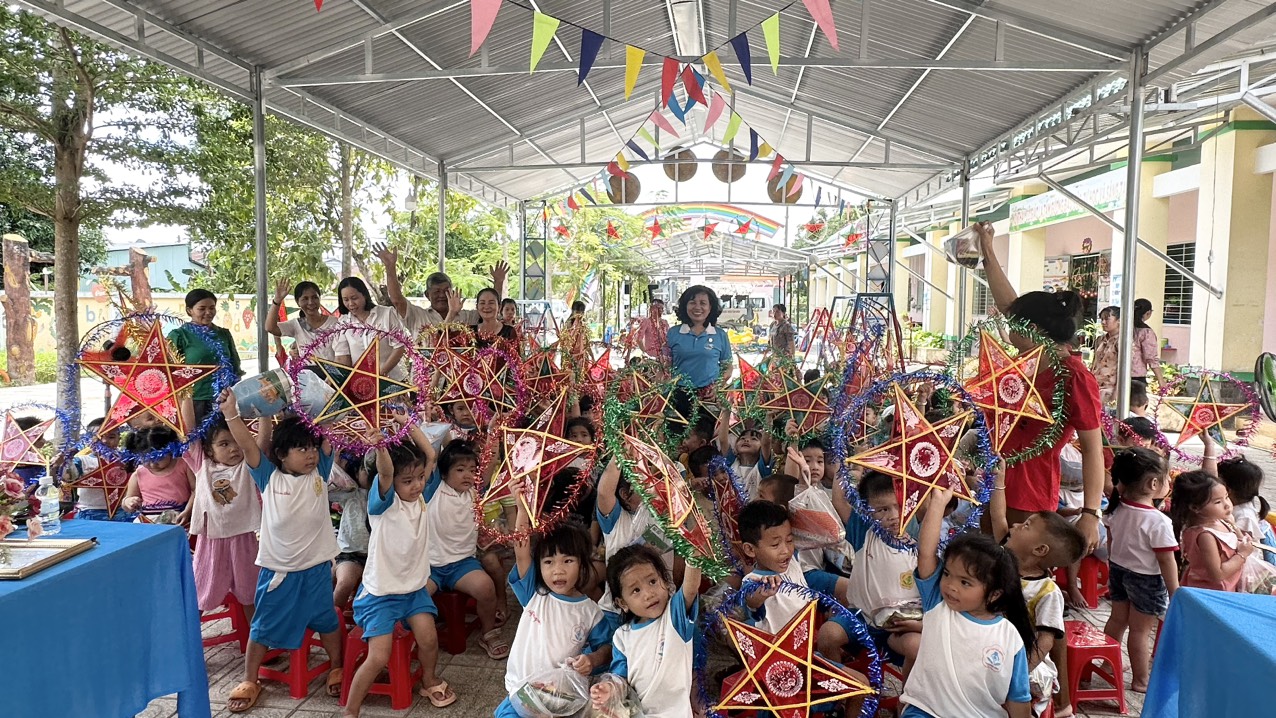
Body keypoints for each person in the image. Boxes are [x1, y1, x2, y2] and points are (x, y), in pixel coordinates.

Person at [976, 222, 1104, 555]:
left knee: (1016, 574)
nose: (1007, 324)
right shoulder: (1027, 359)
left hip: (1028, 499)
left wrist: (1091, 513)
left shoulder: (1074, 377)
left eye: (1014, 323)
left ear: (1031, 329)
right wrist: (987, 249)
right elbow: (1010, 304)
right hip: (992, 485)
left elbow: (1092, 447)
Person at [222, 414, 343, 713]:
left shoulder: (321, 472)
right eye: (301, 449)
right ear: (280, 455)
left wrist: (329, 403)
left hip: (316, 570)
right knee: (261, 627)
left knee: (327, 621)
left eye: (312, 447)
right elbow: (247, 444)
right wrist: (230, 413)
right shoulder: (268, 477)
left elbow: (332, 425)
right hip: (278, 572)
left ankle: (337, 666)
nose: (311, 454)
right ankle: (250, 679)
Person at [346, 414, 455, 716]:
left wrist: (409, 423)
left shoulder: (421, 497)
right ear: (393, 482)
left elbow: (431, 455)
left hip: (413, 591)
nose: (418, 484)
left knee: (429, 639)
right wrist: (381, 446)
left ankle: (429, 679)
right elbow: (385, 472)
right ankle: (351, 710)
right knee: (378, 658)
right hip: (380, 596)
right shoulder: (384, 503)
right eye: (407, 481)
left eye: (420, 477)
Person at [899, 488, 1035, 718]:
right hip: (925, 711)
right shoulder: (938, 604)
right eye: (947, 574)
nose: (951, 585)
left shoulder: (1009, 637)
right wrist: (937, 504)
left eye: (965, 582)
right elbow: (926, 554)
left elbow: (1018, 699)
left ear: (994, 594)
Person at [496, 502, 611, 718]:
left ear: (582, 564)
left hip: (559, 699)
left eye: (568, 560)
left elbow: (607, 649)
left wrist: (592, 660)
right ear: (539, 566)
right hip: (521, 693)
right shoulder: (534, 594)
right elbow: (521, 551)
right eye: (548, 562)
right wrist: (521, 509)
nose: (558, 570)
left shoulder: (591, 612)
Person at [990, 464, 1087, 717]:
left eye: (1027, 526)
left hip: (1025, 663)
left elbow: (1046, 640)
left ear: (1040, 550)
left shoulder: (1047, 592)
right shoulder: (1004, 558)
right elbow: (998, 516)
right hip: (992, 651)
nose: (1018, 524)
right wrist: (999, 480)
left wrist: (1020, 671)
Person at [820, 470, 922, 679]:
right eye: (882, 509)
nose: (893, 516)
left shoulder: (920, 546)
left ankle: (906, 699)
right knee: (828, 635)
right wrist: (843, 463)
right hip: (860, 617)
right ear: (868, 511)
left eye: (899, 506)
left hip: (898, 626)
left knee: (916, 646)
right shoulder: (864, 534)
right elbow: (839, 500)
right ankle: (843, 690)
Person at [1101, 447, 1177, 693]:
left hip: (1118, 571)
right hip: (1147, 580)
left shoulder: (1116, 509)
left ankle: (1108, 663)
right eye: (1167, 479)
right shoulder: (1158, 521)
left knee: (1117, 620)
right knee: (1140, 631)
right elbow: (1166, 561)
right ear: (1154, 483)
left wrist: (1113, 563)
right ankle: (1141, 680)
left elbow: (1112, 543)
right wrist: (1174, 590)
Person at [425, 440, 509, 659]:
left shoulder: (474, 492)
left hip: (462, 564)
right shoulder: (434, 489)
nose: (468, 475)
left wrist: (494, 433)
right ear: (443, 474)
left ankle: (488, 633)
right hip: (429, 566)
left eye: (472, 470)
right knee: (417, 596)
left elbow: (489, 463)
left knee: (486, 588)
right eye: (460, 470)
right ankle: (417, 635)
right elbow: (430, 453)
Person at [595, 544, 701, 718]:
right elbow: (620, 678)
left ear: (666, 583)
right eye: (636, 590)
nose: (648, 593)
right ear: (622, 603)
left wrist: (694, 552)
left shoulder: (674, 617)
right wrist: (610, 688)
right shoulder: (622, 636)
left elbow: (690, 587)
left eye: (652, 581)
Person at [190, 402, 264, 620]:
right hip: (211, 540)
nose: (234, 448)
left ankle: (257, 642)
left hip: (245, 538)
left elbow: (261, 441)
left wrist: (265, 412)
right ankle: (188, 640)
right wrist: (185, 391)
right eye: (224, 443)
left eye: (237, 442)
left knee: (250, 594)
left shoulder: (248, 465)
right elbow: (189, 430)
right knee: (200, 593)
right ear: (208, 450)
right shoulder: (201, 464)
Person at [595, 458, 677, 634]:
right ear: (626, 494)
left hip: (661, 606)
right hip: (619, 613)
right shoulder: (617, 520)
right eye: (646, 483)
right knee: (623, 656)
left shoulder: (666, 516)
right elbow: (603, 493)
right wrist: (620, 454)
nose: (654, 487)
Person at [374, 245, 508, 334]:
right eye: (436, 291)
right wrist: (390, 267)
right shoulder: (417, 315)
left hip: (458, 376)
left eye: (446, 290)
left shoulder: (467, 317)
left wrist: (498, 282)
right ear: (427, 295)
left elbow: (489, 311)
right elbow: (397, 300)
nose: (442, 295)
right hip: (425, 376)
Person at [1170, 470, 1255, 593]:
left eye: (1226, 497)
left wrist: (1238, 533)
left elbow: (1238, 541)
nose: (1227, 505)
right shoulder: (1205, 536)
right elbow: (1218, 574)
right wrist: (1243, 555)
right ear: (1195, 507)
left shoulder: (1221, 520)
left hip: (1230, 588)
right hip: (1212, 594)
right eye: (1218, 502)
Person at [168, 288, 244, 424]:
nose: (208, 313)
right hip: (194, 401)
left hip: (225, 399)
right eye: (202, 309)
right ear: (189, 310)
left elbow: (235, 365)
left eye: (212, 308)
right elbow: (169, 371)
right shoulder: (179, 336)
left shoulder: (224, 334)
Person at [740, 500, 808, 633]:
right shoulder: (754, 581)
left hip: (806, 636)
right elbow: (751, 600)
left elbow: (826, 536)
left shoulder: (792, 560)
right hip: (776, 648)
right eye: (775, 545)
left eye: (789, 540)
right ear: (750, 549)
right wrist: (761, 594)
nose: (786, 550)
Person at [666, 285, 733, 421]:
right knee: (679, 438)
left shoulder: (720, 335)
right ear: (685, 306)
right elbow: (664, 366)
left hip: (709, 398)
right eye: (692, 302)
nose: (697, 307)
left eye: (703, 303)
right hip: (678, 397)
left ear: (710, 307)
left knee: (705, 438)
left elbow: (728, 366)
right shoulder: (673, 333)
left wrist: (717, 387)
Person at [333, 276, 407, 379]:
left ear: (364, 295)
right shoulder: (343, 323)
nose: (351, 304)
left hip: (392, 380)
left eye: (354, 298)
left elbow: (400, 347)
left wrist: (381, 373)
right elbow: (342, 358)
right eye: (346, 300)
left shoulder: (386, 314)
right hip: (362, 385)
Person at [63, 418, 136, 522]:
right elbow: (67, 477)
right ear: (89, 439)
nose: (105, 441)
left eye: (111, 437)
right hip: (89, 512)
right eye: (99, 437)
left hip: (122, 513)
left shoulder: (127, 460)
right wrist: (66, 460)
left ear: (119, 438)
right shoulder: (82, 461)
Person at [121, 426, 195, 526]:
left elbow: (196, 490)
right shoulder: (139, 473)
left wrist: (188, 511)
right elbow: (126, 501)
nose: (152, 464)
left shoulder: (183, 465)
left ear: (170, 450)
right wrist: (129, 502)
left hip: (180, 518)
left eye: (158, 458)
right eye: (146, 459)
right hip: (148, 523)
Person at [1218, 455, 1276, 565]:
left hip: (1239, 566)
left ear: (1227, 490)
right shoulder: (1238, 507)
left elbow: (1233, 545)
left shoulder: (1245, 516)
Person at [266, 279, 337, 362]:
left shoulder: (335, 323)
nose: (310, 302)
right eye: (305, 299)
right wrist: (277, 301)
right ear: (297, 302)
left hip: (333, 374)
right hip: (307, 374)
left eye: (314, 297)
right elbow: (270, 328)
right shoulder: (296, 325)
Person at [715, 411, 771, 500]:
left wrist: (769, 418)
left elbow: (766, 443)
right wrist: (726, 411)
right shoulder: (732, 462)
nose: (746, 440)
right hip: (732, 511)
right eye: (742, 438)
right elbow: (722, 440)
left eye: (754, 439)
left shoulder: (761, 467)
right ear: (735, 445)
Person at [451, 287, 515, 349]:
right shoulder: (469, 332)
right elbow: (446, 343)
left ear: (499, 307)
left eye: (491, 303)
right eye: (482, 303)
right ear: (477, 307)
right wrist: (452, 312)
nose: (486, 306)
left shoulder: (510, 332)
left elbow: (517, 358)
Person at [1131, 298, 1165, 390]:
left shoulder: (1123, 328)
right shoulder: (1146, 332)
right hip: (1136, 376)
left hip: (1118, 374)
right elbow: (1151, 358)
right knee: (1137, 403)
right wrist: (1161, 380)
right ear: (1148, 313)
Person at [1091, 306, 1120, 406]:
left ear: (1119, 320)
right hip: (1095, 385)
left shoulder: (1122, 341)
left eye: (1107, 319)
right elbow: (1094, 362)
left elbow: (1124, 369)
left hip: (1110, 388)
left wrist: (1116, 393)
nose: (1103, 322)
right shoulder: (1100, 339)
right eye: (1102, 319)